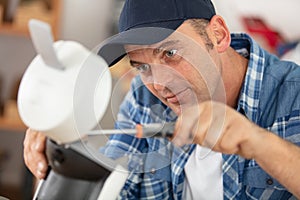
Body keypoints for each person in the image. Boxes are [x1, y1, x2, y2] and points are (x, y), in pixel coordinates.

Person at [23, 0, 300, 199]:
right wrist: (61, 162)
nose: (159, 84)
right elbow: (116, 187)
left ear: (218, 35)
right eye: (141, 66)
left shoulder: (293, 94)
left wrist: (261, 144)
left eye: (169, 54)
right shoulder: (144, 100)